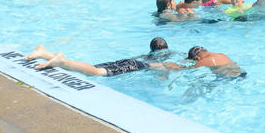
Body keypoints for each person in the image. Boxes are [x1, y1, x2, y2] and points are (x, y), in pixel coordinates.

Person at [25, 38, 175, 77]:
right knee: (96, 72)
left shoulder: (145, 56)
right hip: (134, 66)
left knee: (93, 68)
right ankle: (62, 60)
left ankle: (44, 53)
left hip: (127, 61)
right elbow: (167, 68)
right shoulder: (163, 60)